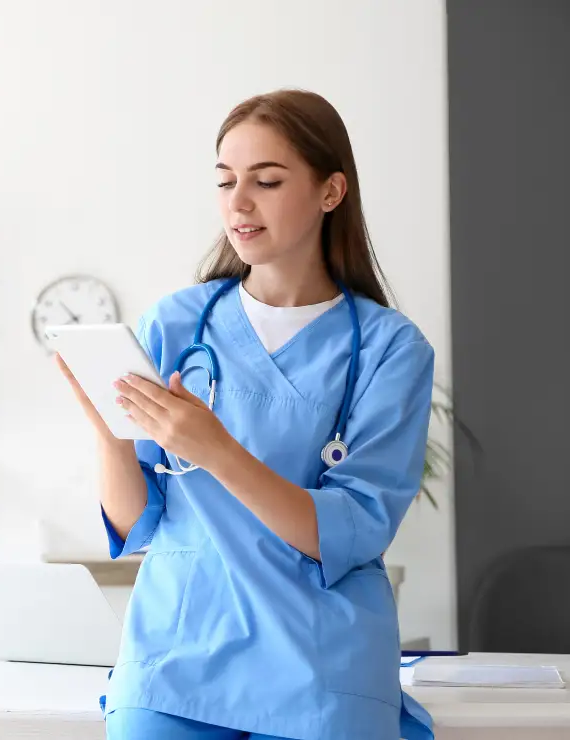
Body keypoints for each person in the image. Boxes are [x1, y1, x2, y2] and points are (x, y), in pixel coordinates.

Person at [55, 89, 437, 740]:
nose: (238, 203)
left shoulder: (390, 349)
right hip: (178, 647)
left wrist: (215, 449)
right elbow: (137, 522)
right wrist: (109, 433)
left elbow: (347, 532)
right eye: (226, 181)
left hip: (320, 660)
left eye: (266, 180)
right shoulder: (176, 324)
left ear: (330, 192)